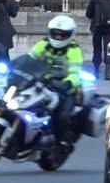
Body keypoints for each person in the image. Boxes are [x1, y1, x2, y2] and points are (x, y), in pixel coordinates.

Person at [28, 16, 84, 149]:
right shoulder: (44, 44)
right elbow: (29, 58)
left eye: (62, 35)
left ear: (70, 35)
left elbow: (76, 72)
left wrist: (69, 83)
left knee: (62, 116)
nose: (58, 38)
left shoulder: (74, 50)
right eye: (55, 34)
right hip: (43, 83)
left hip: (64, 90)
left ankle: (64, 142)